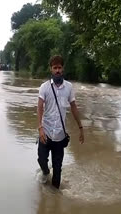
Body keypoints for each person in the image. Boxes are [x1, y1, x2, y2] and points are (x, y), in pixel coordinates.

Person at [37, 55, 84, 189]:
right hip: (45, 133)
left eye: (59, 67)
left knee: (57, 170)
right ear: (51, 69)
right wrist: (40, 128)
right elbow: (39, 107)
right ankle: (45, 172)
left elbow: (73, 107)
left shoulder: (69, 87)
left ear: (63, 69)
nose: (57, 70)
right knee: (41, 160)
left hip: (60, 136)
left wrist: (81, 128)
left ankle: (55, 200)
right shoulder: (44, 87)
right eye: (55, 68)